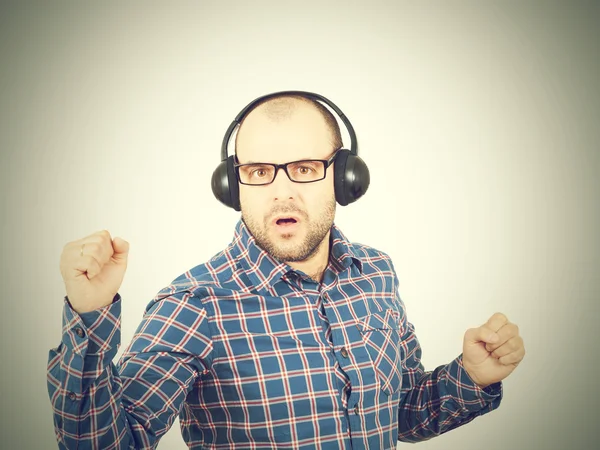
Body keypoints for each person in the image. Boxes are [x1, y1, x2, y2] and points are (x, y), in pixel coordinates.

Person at [47, 91, 525, 450]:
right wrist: (89, 316)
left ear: (345, 177)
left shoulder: (375, 273)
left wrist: (471, 377)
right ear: (234, 187)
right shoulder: (195, 305)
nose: (280, 192)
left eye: (303, 168)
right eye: (258, 172)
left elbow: (403, 411)